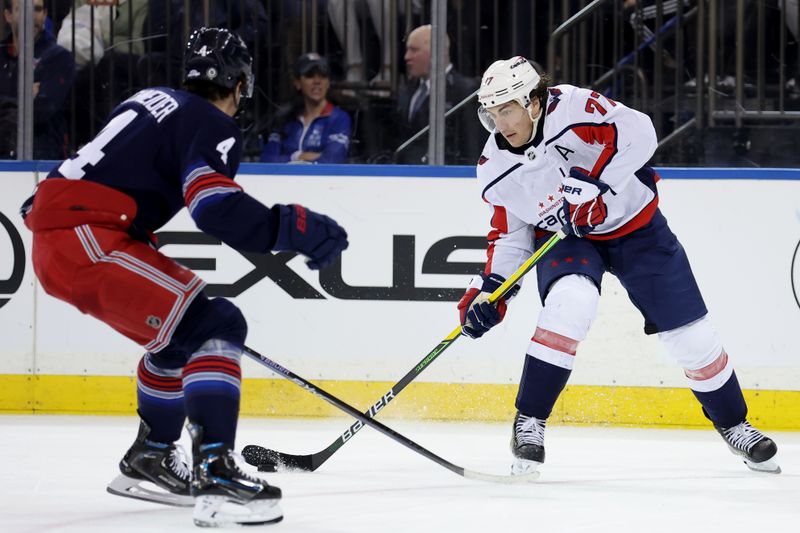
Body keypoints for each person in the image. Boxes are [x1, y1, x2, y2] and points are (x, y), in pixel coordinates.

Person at [20, 27, 348, 527]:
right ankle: (214, 468)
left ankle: (151, 456)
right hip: (86, 237)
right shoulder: (210, 122)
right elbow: (213, 208)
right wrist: (289, 227)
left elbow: (91, 169)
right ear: (239, 83)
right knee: (216, 325)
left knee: (176, 338)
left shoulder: (149, 99)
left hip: (74, 236)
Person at [458, 56, 780, 476]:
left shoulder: (574, 107)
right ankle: (529, 421)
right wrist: (490, 291)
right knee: (570, 303)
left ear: (534, 102)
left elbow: (640, 132)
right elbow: (509, 235)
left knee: (692, 338)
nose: (501, 124)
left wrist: (598, 180)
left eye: (508, 110)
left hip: (636, 229)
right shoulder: (495, 168)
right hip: (569, 238)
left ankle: (736, 425)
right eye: (492, 114)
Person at [394, 24, 484, 165]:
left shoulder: (466, 92)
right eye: (407, 50)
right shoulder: (406, 91)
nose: (407, 57)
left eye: (414, 50)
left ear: (436, 51)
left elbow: (471, 149)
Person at [0, 0, 75, 159]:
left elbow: (41, 112)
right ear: (8, 15)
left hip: (43, 158)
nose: (32, 16)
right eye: (22, 10)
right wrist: (24, 96)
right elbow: (27, 111)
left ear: (45, 14)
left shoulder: (59, 58)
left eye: (38, 9)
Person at [260, 52, 351, 164]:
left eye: (323, 76)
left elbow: (332, 159)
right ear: (297, 82)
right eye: (310, 76)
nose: (317, 81)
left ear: (328, 83)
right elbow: (268, 160)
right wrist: (297, 156)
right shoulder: (284, 118)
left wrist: (288, 159)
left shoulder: (339, 118)